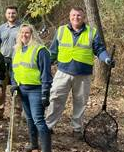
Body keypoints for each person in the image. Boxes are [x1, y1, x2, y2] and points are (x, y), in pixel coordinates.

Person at [45, 7, 115, 139]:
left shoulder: (91, 32)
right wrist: (44, 64)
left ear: (84, 17)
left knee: (80, 102)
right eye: (73, 15)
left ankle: (77, 129)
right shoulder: (60, 31)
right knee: (55, 99)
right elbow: (53, 52)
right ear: (69, 16)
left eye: (79, 15)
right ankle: (48, 126)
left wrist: (107, 59)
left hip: (83, 74)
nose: (76, 18)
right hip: (63, 72)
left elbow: (99, 50)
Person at [11, 24, 53, 152]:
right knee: (29, 119)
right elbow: (14, 70)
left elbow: (46, 74)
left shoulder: (40, 50)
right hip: (22, 89)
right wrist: (14, 84)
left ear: (33, 34)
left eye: (27, 32)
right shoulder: (17, 50)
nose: (24, 35)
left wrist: (45, 93)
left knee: (38, 120)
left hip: (36, 89)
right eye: (22, 32)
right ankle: (33, 144)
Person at [0, 6, 22, 118]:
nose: (11, 15)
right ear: (6, 14)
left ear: (17, 14)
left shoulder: (21, 28)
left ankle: (16, 113)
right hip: (3, 61)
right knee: (0, 86)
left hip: (17, 62)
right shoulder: (1, 28)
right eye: (9, 13)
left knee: (16, 88)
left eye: (13, 13)